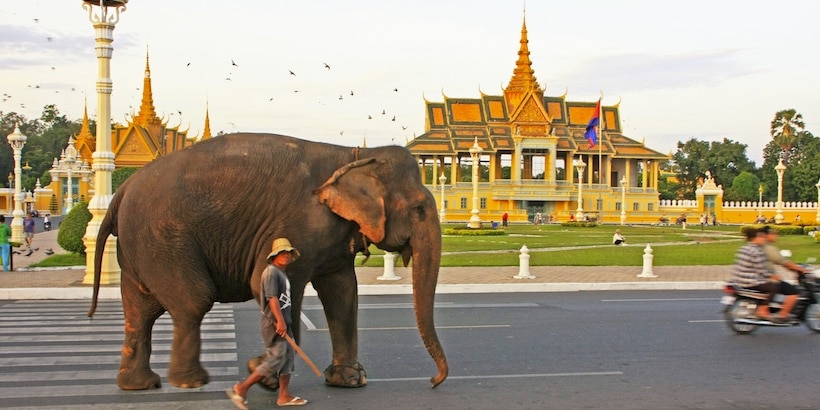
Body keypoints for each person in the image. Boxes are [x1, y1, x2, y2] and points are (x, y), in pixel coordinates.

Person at [226, 238, 308, 409]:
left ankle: (284, 396)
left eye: (288, 253)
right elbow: (272, 299)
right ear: (274, 256)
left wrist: (285, 322)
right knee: (276, 359)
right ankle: (241, 389)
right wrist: (279, 321)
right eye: (282, 253)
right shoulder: (271, 273)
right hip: (274, 323)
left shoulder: (281, 273)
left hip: (284, 322)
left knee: (287, 359)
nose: (286, 256)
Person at [730, 227, 794, 323]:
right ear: (755, 238)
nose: (763, 240)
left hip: (740, 280)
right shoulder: (757, 251)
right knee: (773, 287)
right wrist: (773, 276)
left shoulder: (744, 248)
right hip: (751, 281)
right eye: (761, 238)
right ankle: (763, 310)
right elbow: (762, 270)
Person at [760, 225, 811, 320]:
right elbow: (783, 262)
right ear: (766, 235)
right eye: (773, 234)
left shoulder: (758, 246)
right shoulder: (768, 248)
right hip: (767, 278)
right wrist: (800, 269)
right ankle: (783, 315)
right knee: (793, 291)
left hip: (759, 277)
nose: (776, 236)